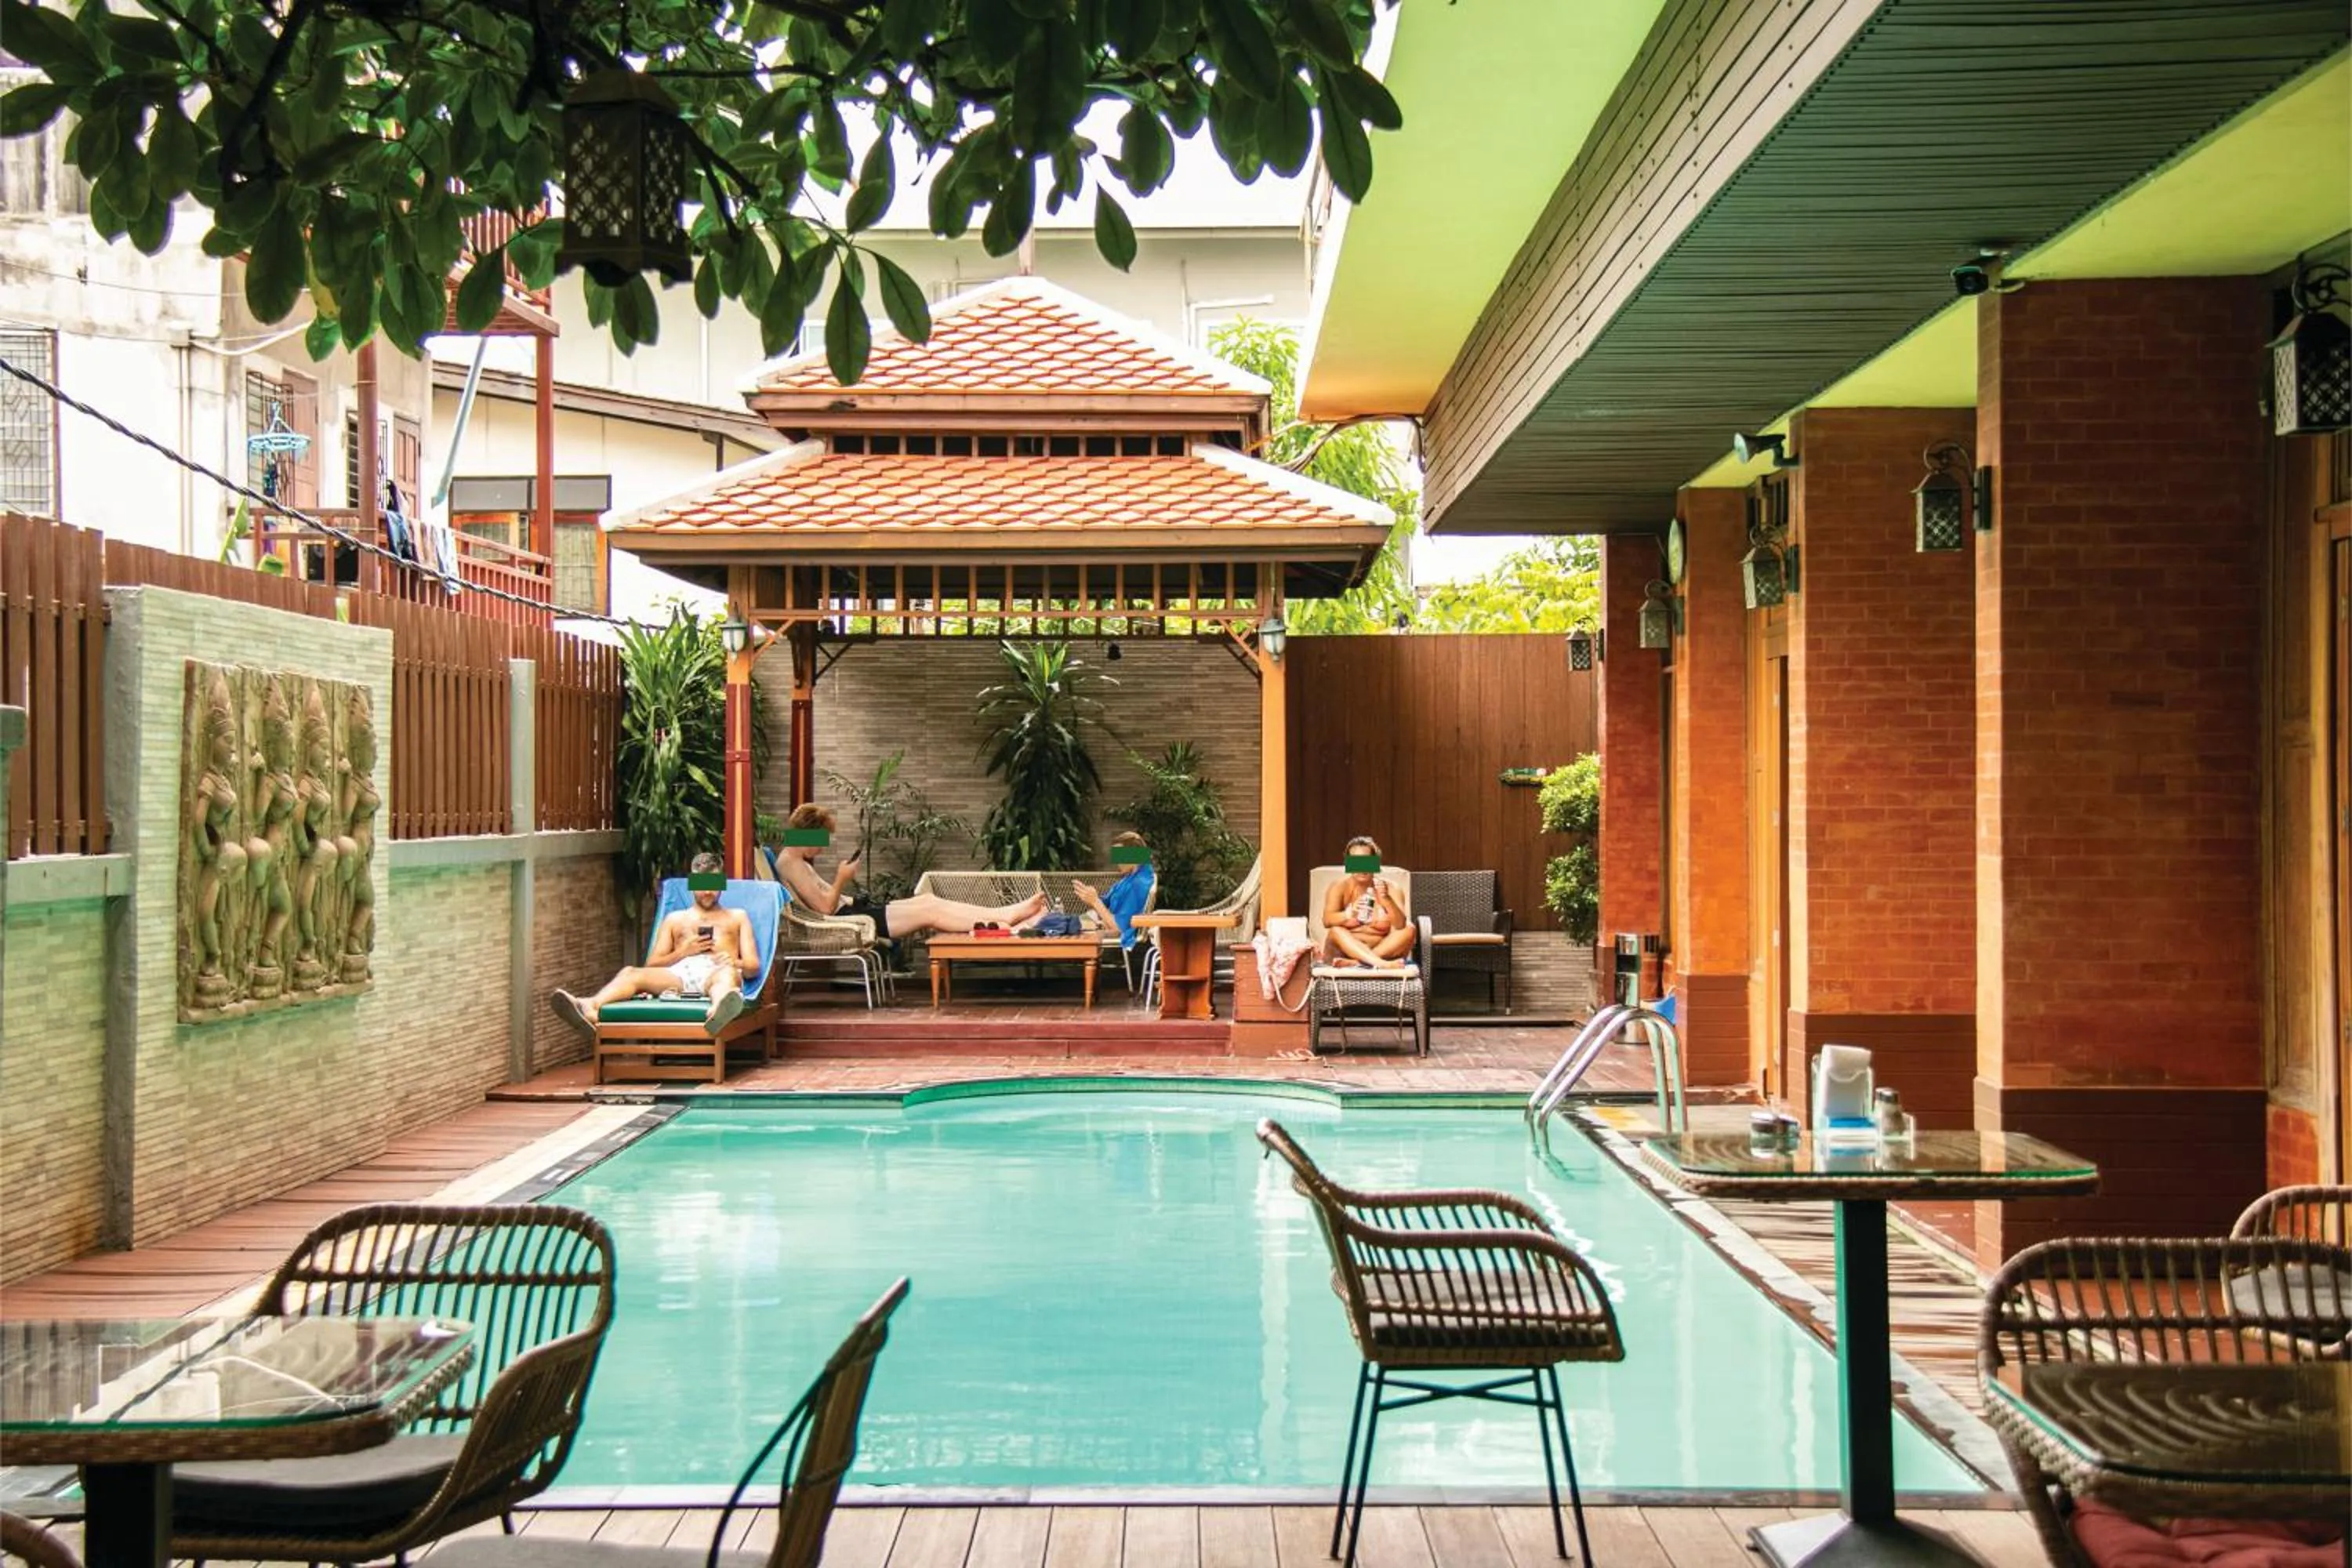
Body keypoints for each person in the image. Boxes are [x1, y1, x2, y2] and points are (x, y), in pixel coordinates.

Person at [554, 852, 760, 1038]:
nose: (708, 891)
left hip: (718, 971)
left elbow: (753, 968)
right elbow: (652, 964)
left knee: (727, 977)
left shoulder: (737, 917)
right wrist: (683, 952)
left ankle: (718, 1011)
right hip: (679, 975)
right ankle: (590, 1006)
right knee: (630, 973)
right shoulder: (675, 919)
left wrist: (734, 961)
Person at [773, 803, 1047, 939]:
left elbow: (828, 901)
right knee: (930, 912)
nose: (823, 848)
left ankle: (1006, 914)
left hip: (854, 910)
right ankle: (1008, 918)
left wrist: (846, 889)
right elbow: (823, 908)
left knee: (927, 901)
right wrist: (841, 879)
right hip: (846, 921)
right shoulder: (790, 863)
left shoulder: (797, 860)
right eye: (821, 840)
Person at [1321, 835, 1414, 967]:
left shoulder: (1391, 888)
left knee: (1409, 929)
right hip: (1344, 952)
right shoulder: (1339, 887)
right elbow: (1327, 920)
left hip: (1382, 951)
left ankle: (1360, 963)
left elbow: (1400, 925)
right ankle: (1379, 964)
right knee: (1335, 931)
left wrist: (1387, 900)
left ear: (1376, 863)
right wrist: (1349, 913)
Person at [1071, 832, 1156, 951]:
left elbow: (1119, 929)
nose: (1117, 862)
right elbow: (1105, 903)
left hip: (1116, 938)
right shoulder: (1129, 879)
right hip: (1101, 925)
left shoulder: (1139, 884)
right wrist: (1089, 896)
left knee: (1054, 925)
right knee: (1059, 923)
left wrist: (1095, 901)